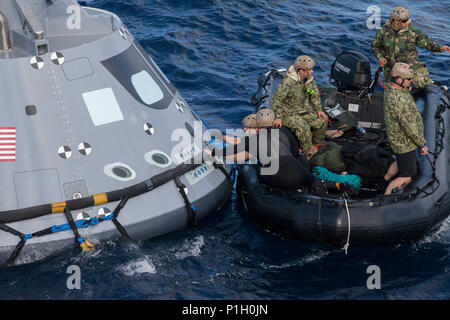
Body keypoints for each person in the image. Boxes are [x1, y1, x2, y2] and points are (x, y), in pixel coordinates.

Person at [207, 109, 354, 195]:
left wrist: (212, 152)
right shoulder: (284, 131)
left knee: (254, 169)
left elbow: (229, 151)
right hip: (298, 171)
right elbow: (296, 153)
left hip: (279, 176)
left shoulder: (254, 140)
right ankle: (330, 185)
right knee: (311, 179)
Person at [372, 6, 450, 89]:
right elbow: (376, 46)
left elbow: (426, 42)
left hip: (411, 66)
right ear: (395, 21)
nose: (408, 22)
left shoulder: (413, 31)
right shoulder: (383, 31)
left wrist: (440, 48)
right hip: (392, 69)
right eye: (405, 21)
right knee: (393, 93)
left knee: (423, 84)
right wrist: (380, 57)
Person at [383, 62, 428, 195]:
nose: (411, 82)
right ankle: (385, 200)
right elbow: (410, 127)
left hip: (396, 139)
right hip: (404, 143)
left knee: (400, 162)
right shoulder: (399, 101)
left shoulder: (390, 89)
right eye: (409, 79)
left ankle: (384, 179)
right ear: (399, 79)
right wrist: (422, 144)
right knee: (407, 175)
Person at [271, 55, 328, 159]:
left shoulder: (309, 80)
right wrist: (278, 117)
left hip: (303, 111)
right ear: (301, 71)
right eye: (309, 69)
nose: (312, 72)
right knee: (303, 128)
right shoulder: (288, 82)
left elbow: (313, 94)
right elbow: (277, 100)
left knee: (322, 120)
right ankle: (307, 153)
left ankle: (316, 145)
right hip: (287, 114)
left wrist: (319, 110)